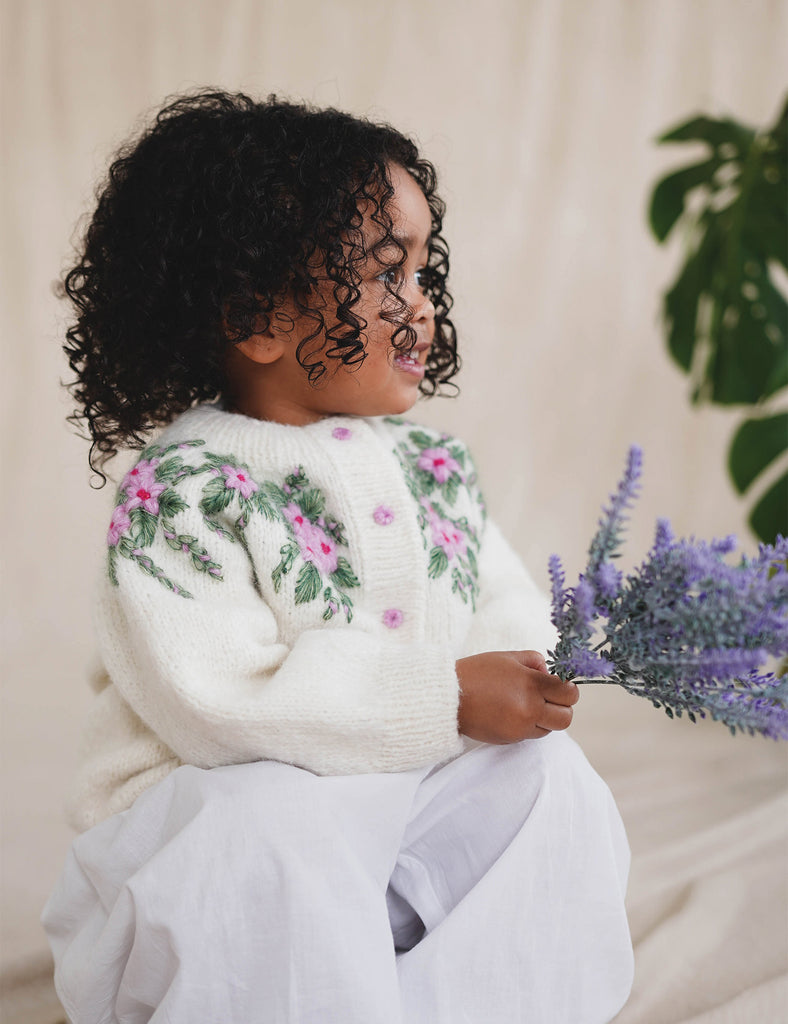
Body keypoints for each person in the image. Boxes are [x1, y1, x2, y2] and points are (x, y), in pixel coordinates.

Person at [42, 90, 633, 1023]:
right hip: (204, 874)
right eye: (387, 275)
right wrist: (446, 697)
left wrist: (536, 671)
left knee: (546, 784)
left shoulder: (435, 468)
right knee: (275, 815)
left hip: (379, 864)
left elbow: (506, 611)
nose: (424, 306)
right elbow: (219, 707)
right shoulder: (182, 490)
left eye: (424, 271)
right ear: (258, 315)